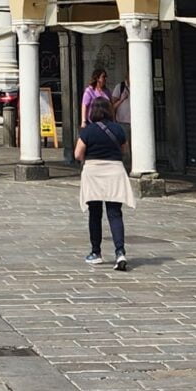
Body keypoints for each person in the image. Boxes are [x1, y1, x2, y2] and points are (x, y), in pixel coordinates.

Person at [76, 105, 134, 270]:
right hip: (115, 172)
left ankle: (96, 253)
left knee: (95, 213)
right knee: (115, 213)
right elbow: (125, 150)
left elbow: (78, 153)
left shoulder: (87, 131)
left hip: (93, 172)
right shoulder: (118, 129)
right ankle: (120, 252)